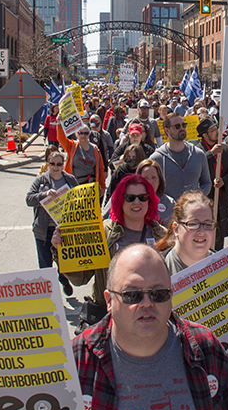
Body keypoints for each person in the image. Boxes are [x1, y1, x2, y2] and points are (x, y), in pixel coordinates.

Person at [72, 244, 228, 410]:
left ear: (171, 296)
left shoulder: (206, 348)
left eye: (158, 294)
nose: (147, 303)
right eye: (132, 295)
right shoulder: (77, 358)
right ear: (109, 300)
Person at [155, 192, 228, 410]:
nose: (201, 231)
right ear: (176, 228)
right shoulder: (157, 274)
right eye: (193, 224)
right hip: (180, 388)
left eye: (208, 224)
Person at [54, 175, 166, 313]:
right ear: (120, 200)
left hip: (150, 313)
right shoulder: (102, 233)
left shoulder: (162, 236)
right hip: (110, 315)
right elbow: (80, 278)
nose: (137, 202)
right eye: (130, 198)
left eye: (143, 197)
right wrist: (61, 250)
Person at [26, 150, 78, 295]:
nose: (56, 167)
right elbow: (29, 199)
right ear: (48, 164)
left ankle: (64, 280)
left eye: (59, 164)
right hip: (43, 230)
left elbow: (79, 198)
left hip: (62, 230)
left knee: (63, 263)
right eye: (53, 164)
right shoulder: (41, 180)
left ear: (63, 165)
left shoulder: (70, 180)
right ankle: (50, 297)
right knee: (45, 266)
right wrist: (44, 195)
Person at [150, 113, 212, 200]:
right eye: (177, 126)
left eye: (183, 125)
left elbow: (206, 183)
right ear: (167, 131)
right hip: (168, 212)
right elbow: (150, 189)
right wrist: (165, 204)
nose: (182, 128)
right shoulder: (156, 159)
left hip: (193, 210)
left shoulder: (198, 154)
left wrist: (197, 197)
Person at [196, 119, 228, 250]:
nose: (216, 132)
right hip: (206, 199)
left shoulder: (226, 149)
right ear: (204, 135)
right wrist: (211, 154)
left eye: (216, 128)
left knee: (219, 237)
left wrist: (224, 181)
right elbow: (196, 168)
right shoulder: (198, 151)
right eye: (212, 130)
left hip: (222, 198)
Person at [56, 118, 107, 194]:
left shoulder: (95, 149)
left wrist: (102, 186)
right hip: (74, 186)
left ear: (89, 134)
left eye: (86, 133)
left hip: (90, 186)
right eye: (80, 133)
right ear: (76, 134)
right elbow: (61, 138)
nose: (83, 135)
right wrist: (59, 124)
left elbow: (100, 168)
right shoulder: (72, 146)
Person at [136, 158, 176, 225]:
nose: (150, 182)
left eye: (154, 178)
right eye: (145, 178)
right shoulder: (130, 201)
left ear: (159, 181)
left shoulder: (170, 203)